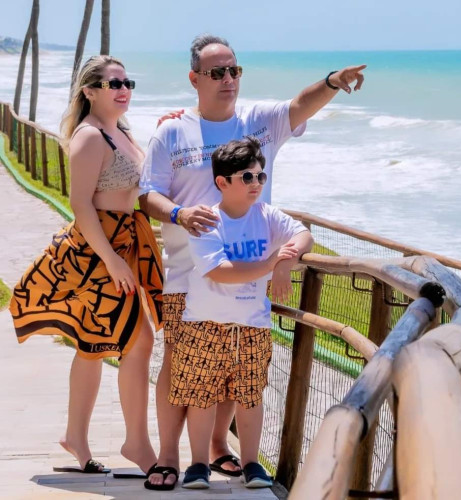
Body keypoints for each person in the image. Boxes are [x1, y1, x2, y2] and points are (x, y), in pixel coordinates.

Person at [139, 33, 365, 489]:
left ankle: (219, 450)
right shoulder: (172, 131)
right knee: (178, 365)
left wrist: (332, 82)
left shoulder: (258, 120)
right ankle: (168, 455)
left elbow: (299, 106)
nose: (228, 80)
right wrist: (180, 214)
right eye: (217, 72)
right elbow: (148, 194)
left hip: (244, 276)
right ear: (194, 79)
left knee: (231, 369)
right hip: (188, 272)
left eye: (234, 70)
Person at [9, 55, 163, 477]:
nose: (123, 89)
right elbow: (80, 205)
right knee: (139, 342)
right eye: (114, 83)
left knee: (93, 345)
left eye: (128, 82)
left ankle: (75, 437)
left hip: (121, 244)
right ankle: (137, 444)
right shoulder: (90, 137)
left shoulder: (122, 130)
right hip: (97, 252)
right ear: (89, 91)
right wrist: (112, 259)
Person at [171, 137, 313, 489]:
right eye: (247, 177)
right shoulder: (207, 220)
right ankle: (199, 465)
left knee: (250, 395)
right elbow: (219, 270)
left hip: (252, 325)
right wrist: (269, 264)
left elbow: (304, 233)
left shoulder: (266, 215)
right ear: (223, 182)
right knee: (201, 396)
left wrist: (286, 261)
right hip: (204, 323)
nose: (256, 184)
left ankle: (252, 464)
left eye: (260, 177)